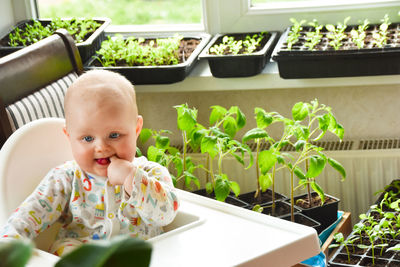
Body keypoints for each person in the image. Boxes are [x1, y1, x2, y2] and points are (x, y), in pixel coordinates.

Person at [0, 70, 179, 256]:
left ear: (136, 128)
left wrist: (131, 178)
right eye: (87, 138)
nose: (101, 147)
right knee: (66, 251)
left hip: (138, 255)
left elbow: (166, 216)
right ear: (69, 136)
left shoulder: (151, 173)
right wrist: (8, 245)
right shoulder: (65, 178)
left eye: (114, 135)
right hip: (83, 254)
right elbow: (29, 215)